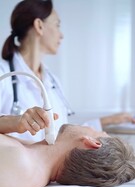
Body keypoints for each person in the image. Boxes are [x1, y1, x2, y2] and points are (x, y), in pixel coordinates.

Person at [0, 0, 135, 142]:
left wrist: (110, 120)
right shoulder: (3, 74)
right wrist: (15, 122)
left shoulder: (53, 81)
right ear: (39, 26)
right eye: (57, 25)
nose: (61, 34)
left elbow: (62, 134)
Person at [0, 124, 135, 187]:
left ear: (93, 142)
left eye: (97, 131)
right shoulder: (28, 153)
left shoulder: (19, 164)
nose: (89, 126)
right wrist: (7, 121)